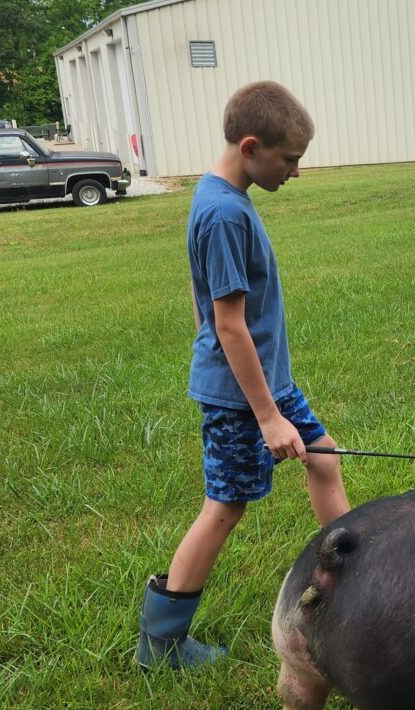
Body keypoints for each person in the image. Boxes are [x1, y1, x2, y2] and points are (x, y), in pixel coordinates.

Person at [136, 81, 350, 669]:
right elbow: (229, 325)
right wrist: (266, 417)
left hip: (267, 384)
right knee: (224, 507)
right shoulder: (225, 212)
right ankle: (161, 643)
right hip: (243, 399)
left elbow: (202, 296)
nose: (296, 172)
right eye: (290, 159)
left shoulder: (221, 195)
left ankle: (355, 579)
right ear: (251, 146)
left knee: (324, 457)